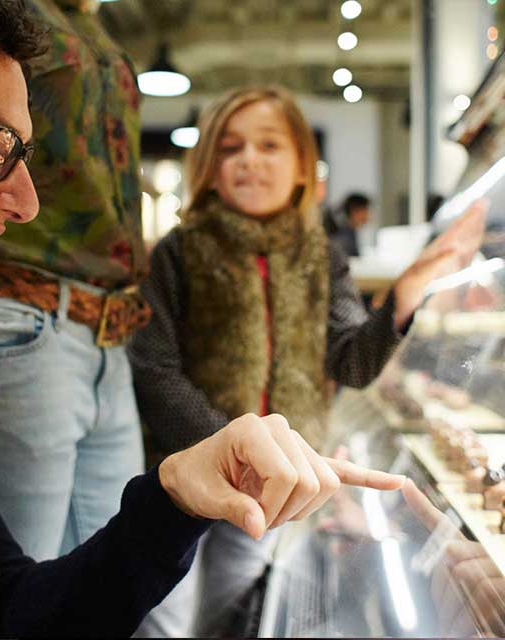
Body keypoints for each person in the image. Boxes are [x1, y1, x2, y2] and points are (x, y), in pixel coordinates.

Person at [0, 3, 408, 637]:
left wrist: (174, 498)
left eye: (26, 155)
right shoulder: (182, 252)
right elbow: (157, 363)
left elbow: (4, 615)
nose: (27, 203)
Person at [128, 85, 486, 636]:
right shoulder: (178, 251)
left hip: (276, 486)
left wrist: (407, 290)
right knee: (161, 611)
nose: (249, 158)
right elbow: (154, 368)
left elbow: (353, 362)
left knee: (233, 609)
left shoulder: (323, 257)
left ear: (300, 166)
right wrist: (227, 446)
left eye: (269, 145)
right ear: (209, 166)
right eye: (230, 148)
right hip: (189, 471)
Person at [0, 0, 150, 562]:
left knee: (105, 583)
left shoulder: (94, 29)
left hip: (103, 329)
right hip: (17, 308)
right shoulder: (5, 14)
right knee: (4, 581)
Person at [329, 191, 372, 257]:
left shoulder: (349, 231)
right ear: (354, 211)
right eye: (365, 211)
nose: (367, 216)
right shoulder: (343, 238)